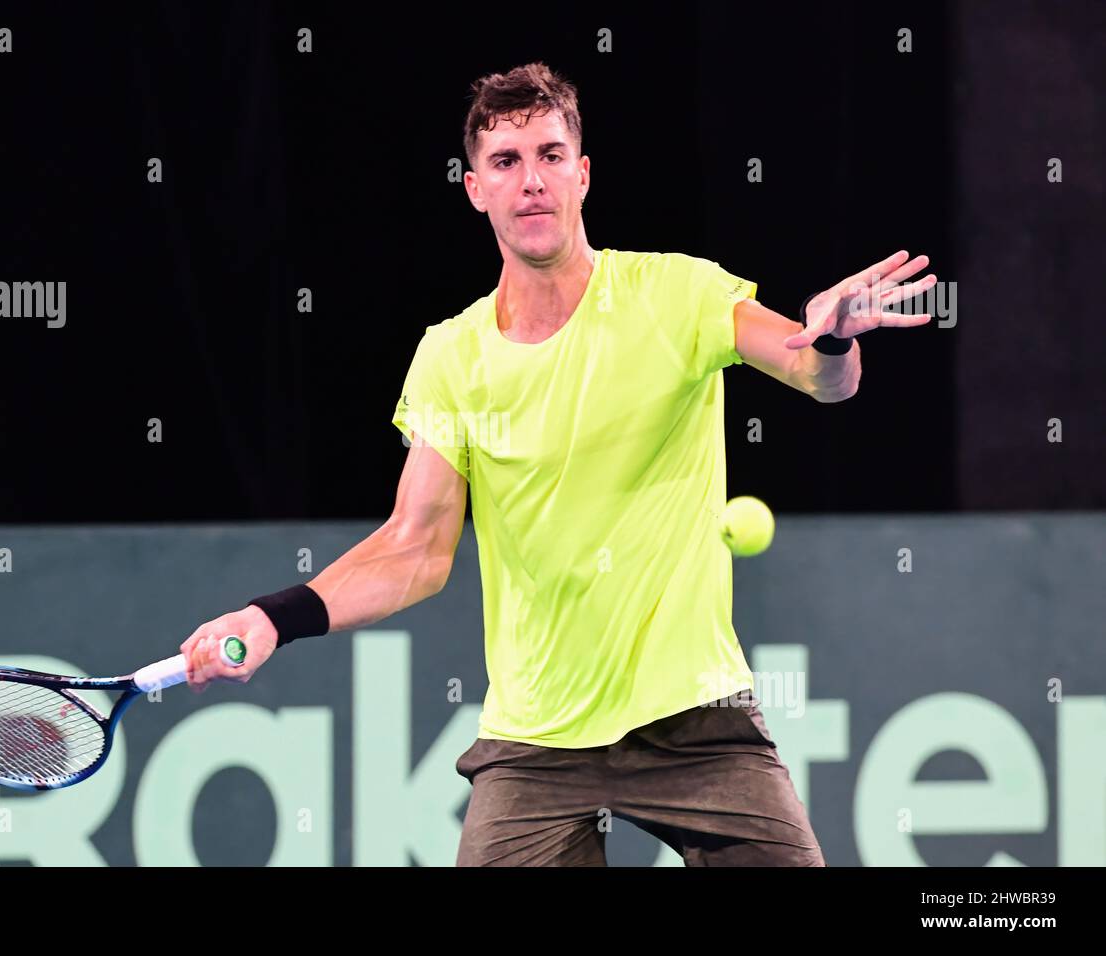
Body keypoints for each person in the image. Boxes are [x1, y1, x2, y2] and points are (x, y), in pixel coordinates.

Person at [181, 62, 935, 866]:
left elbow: (819, 379)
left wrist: (830, 336)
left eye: (549, 155)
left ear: (582, 174)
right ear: (475, 188)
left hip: (694, 719)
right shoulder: (450, 358)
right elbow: (417, 548)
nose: (531, 181)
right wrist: (273, 617)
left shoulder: (677, 294)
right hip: (536, 742)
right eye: (506, 162)